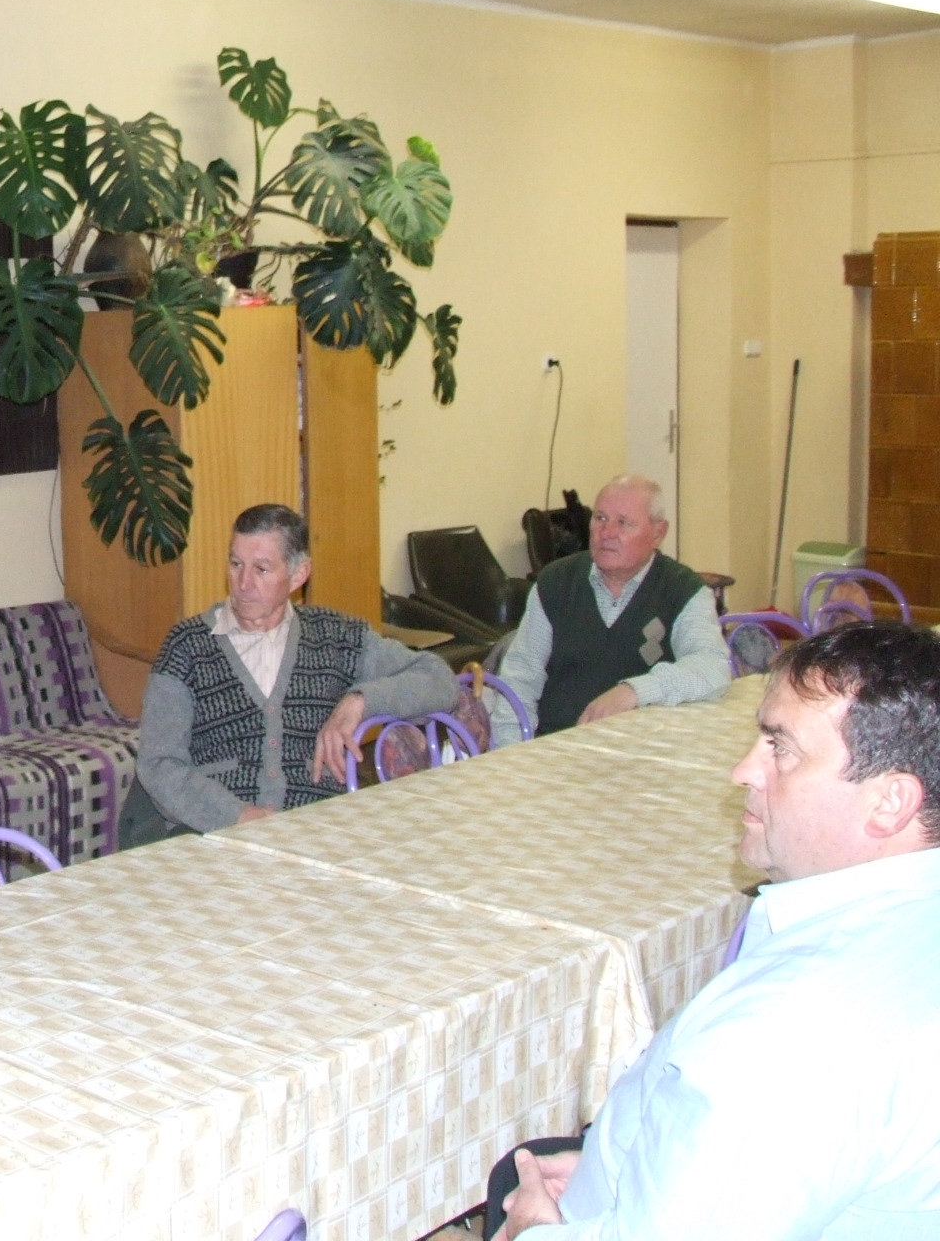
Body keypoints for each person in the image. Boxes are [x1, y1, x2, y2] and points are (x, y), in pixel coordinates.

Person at [491, 621, 940, 1237]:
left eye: (780, 748)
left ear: (889, 802)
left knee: (511, 1184)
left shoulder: (787, 1033)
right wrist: (619, 1168)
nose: (743, 771)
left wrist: (536, 1232)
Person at [118, 503, 458, 844]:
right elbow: (160, 763)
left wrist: (360, 701)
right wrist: (238, 816)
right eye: (236, 564)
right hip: (214, 834)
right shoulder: (187, 646)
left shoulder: (337, 636)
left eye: (261, 569)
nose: (243, 583)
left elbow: (439, 679)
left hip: (318, 834)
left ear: (298, 575)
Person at [488, 475, 727, 741]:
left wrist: (633, 692)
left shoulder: (683, 590)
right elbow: (520, 677)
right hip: (558, 746)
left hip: (645, 750)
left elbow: (712, 666)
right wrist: (513, 750)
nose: (607, 532)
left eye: (623, 523)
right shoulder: (555, 583)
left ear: (658, 533)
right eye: (600, 518)